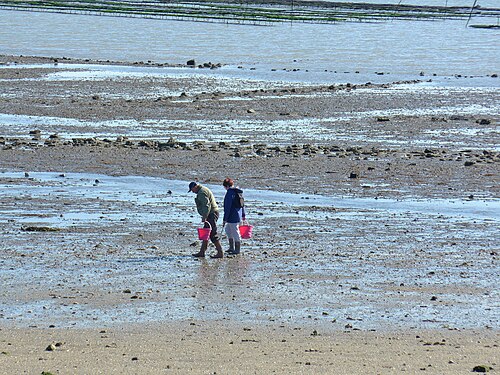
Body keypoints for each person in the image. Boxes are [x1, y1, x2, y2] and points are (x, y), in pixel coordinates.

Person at [188, 181, 224, 258]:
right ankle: (202, 252)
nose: (193, 192)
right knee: (206, 233)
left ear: (195, 187)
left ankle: (220, 252)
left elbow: (206, 206)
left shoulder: (201, 192)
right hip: (211, 213)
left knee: (212, 234)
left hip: (211, 214)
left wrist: (204, 216)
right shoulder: (203, 189)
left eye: (192, 190)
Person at [222, 178, 246, 255]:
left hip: (232, 216)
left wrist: (225, 219)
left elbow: (227, 207)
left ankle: (237, 249)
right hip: (238, 215)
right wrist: (243, 215)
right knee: (228, 230)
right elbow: (243, 205)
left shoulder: (229, 193)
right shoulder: (238, 192)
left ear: (227, 186)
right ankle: (231, 247)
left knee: (235, 232)